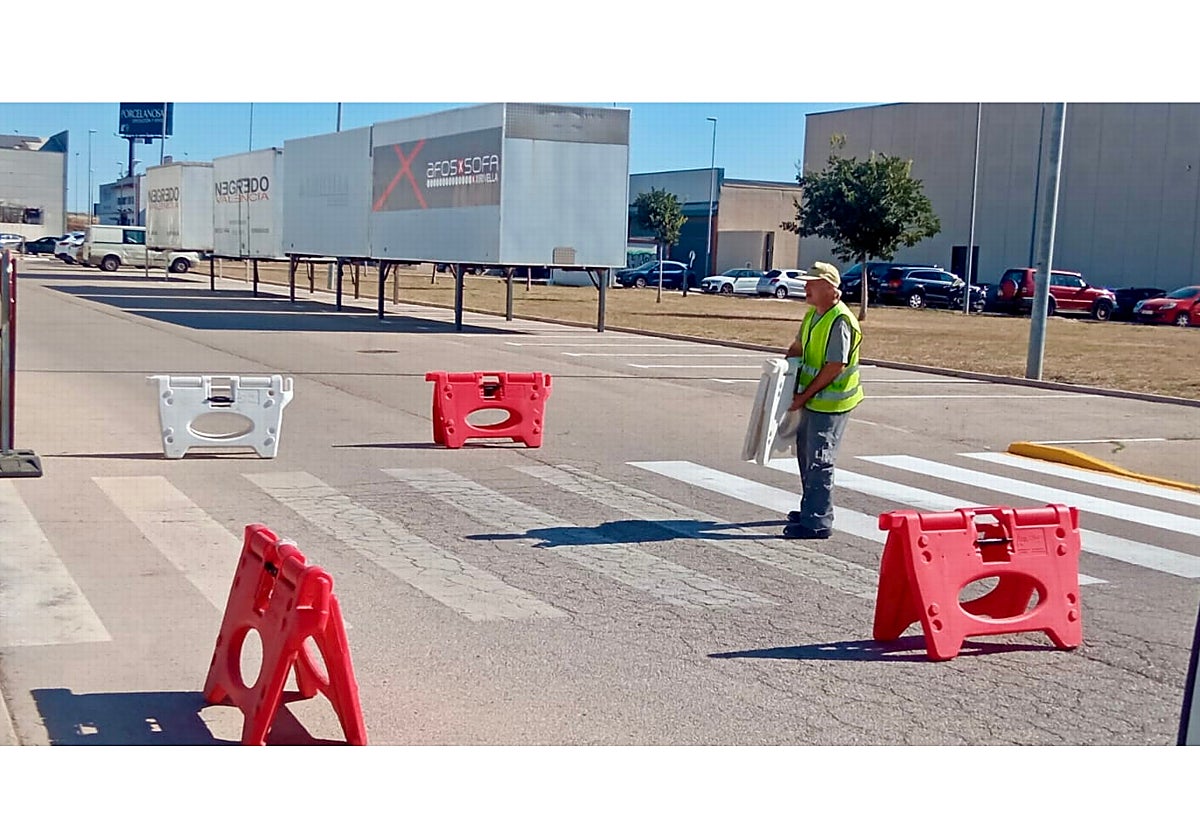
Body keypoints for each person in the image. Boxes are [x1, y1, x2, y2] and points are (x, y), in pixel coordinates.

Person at [781, 262, 864, 539]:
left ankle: (817, 521)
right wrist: (782, 374)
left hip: (831, 403)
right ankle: (811, 508)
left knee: (820, 459)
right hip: (813, 400)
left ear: (830, 289)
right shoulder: (813, 315)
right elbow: (798, 347)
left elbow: (834, 366)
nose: (806, 288)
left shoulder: (840, 319)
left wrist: (803, 395)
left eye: (812, 284)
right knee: (806, 455)